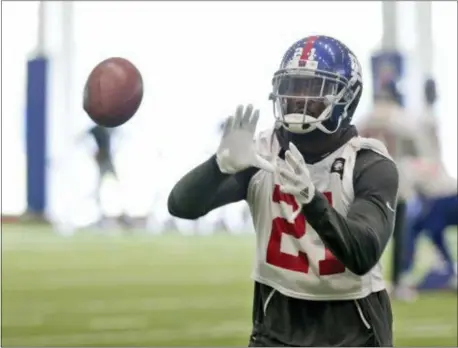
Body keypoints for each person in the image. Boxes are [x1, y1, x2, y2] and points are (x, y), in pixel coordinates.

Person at [168, 35, 398, 347]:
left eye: (314, 88)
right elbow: (181, 206)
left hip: (352, 323)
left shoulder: (368, 163)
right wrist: (217, 166)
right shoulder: (262, 152)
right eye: (293, 87)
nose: (298, 99)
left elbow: (362, 254)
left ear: (348, 95)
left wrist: (310, 200)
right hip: (277, 317)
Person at [357, 80, 424, 297]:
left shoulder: (366, 117)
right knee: (398, 237)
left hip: (367, 181)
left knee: (366, 232)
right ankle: (396, 282)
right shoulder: (402, 118)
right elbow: (416, 150)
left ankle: (364, 280)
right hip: (396, 182)